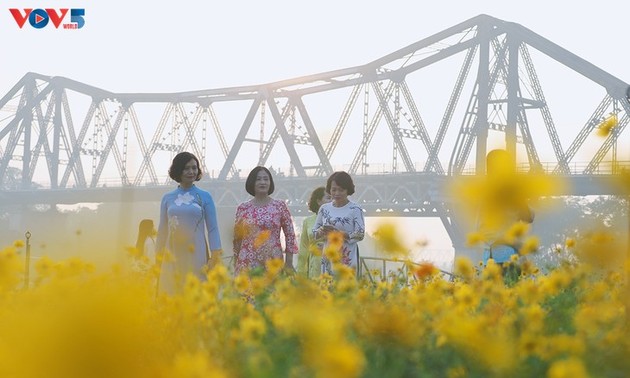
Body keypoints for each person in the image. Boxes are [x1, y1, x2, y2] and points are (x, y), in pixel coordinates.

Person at [156, 152, 222, 294]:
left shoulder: (205, 196)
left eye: (194, 168)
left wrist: (214, 256)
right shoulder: (167, 198)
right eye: (186, 168)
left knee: (197, 294)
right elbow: (162, 230)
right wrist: (158, 257)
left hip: (197, 254)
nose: (191, 172)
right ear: (178, 170)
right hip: (172, 254)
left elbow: (213, 229)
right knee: (172, 294)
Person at [477, 149, 534, 279]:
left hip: (497, 257)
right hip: (502, 256)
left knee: (496, 296)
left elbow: (529, 216)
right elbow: (529, 216)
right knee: (509, 294)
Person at [233, 166, 298, 275]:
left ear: (270, 182)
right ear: (252, 182)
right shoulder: (243, 208)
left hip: (272, 261)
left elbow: (290, 235)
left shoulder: (280, 206)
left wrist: (289, 262)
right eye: (258, 179)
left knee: (272, 292)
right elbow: (237, 238)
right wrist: (236, 262)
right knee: (247, 292)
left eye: (266, 179)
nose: (262, 182)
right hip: (247, 263)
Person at [313, 171, 365, 275]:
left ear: (348, 190)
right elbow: (314, 233)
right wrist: (321, 231)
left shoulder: (355, 209)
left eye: (341, 190)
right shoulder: (324, 208)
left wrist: (338, 234)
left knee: (344, 289)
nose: (337, 193)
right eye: (333, 190)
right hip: (328, 258)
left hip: (347, 258)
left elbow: (360, 234)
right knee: (327, 288)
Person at [297, 187, 331, 278]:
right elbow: (303, 248)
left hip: (332, 265)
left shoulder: (338, 220)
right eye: (328, 198)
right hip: (315, 266)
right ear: (319, 201)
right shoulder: (308, 221)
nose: (332, 201)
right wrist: (300, 273)